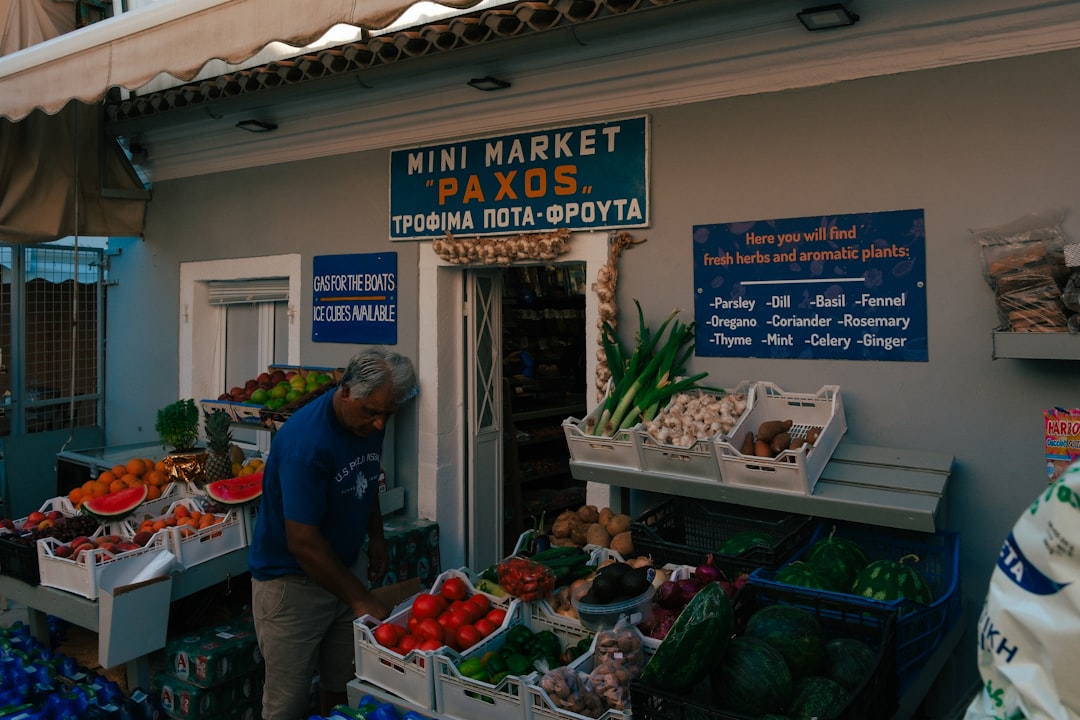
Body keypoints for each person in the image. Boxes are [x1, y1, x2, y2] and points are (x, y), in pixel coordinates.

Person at [248, 347, 417, 720]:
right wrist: (361, 599)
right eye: (372, 412)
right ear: (346, 391)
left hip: (344, 569)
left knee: (344, 685)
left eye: (387, 414)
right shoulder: (305, 444)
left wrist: (376, 536)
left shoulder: (368, 421)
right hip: (290, 585)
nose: (379, 425)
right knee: (286, 704)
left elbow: (366, 476)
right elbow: (302, 542)